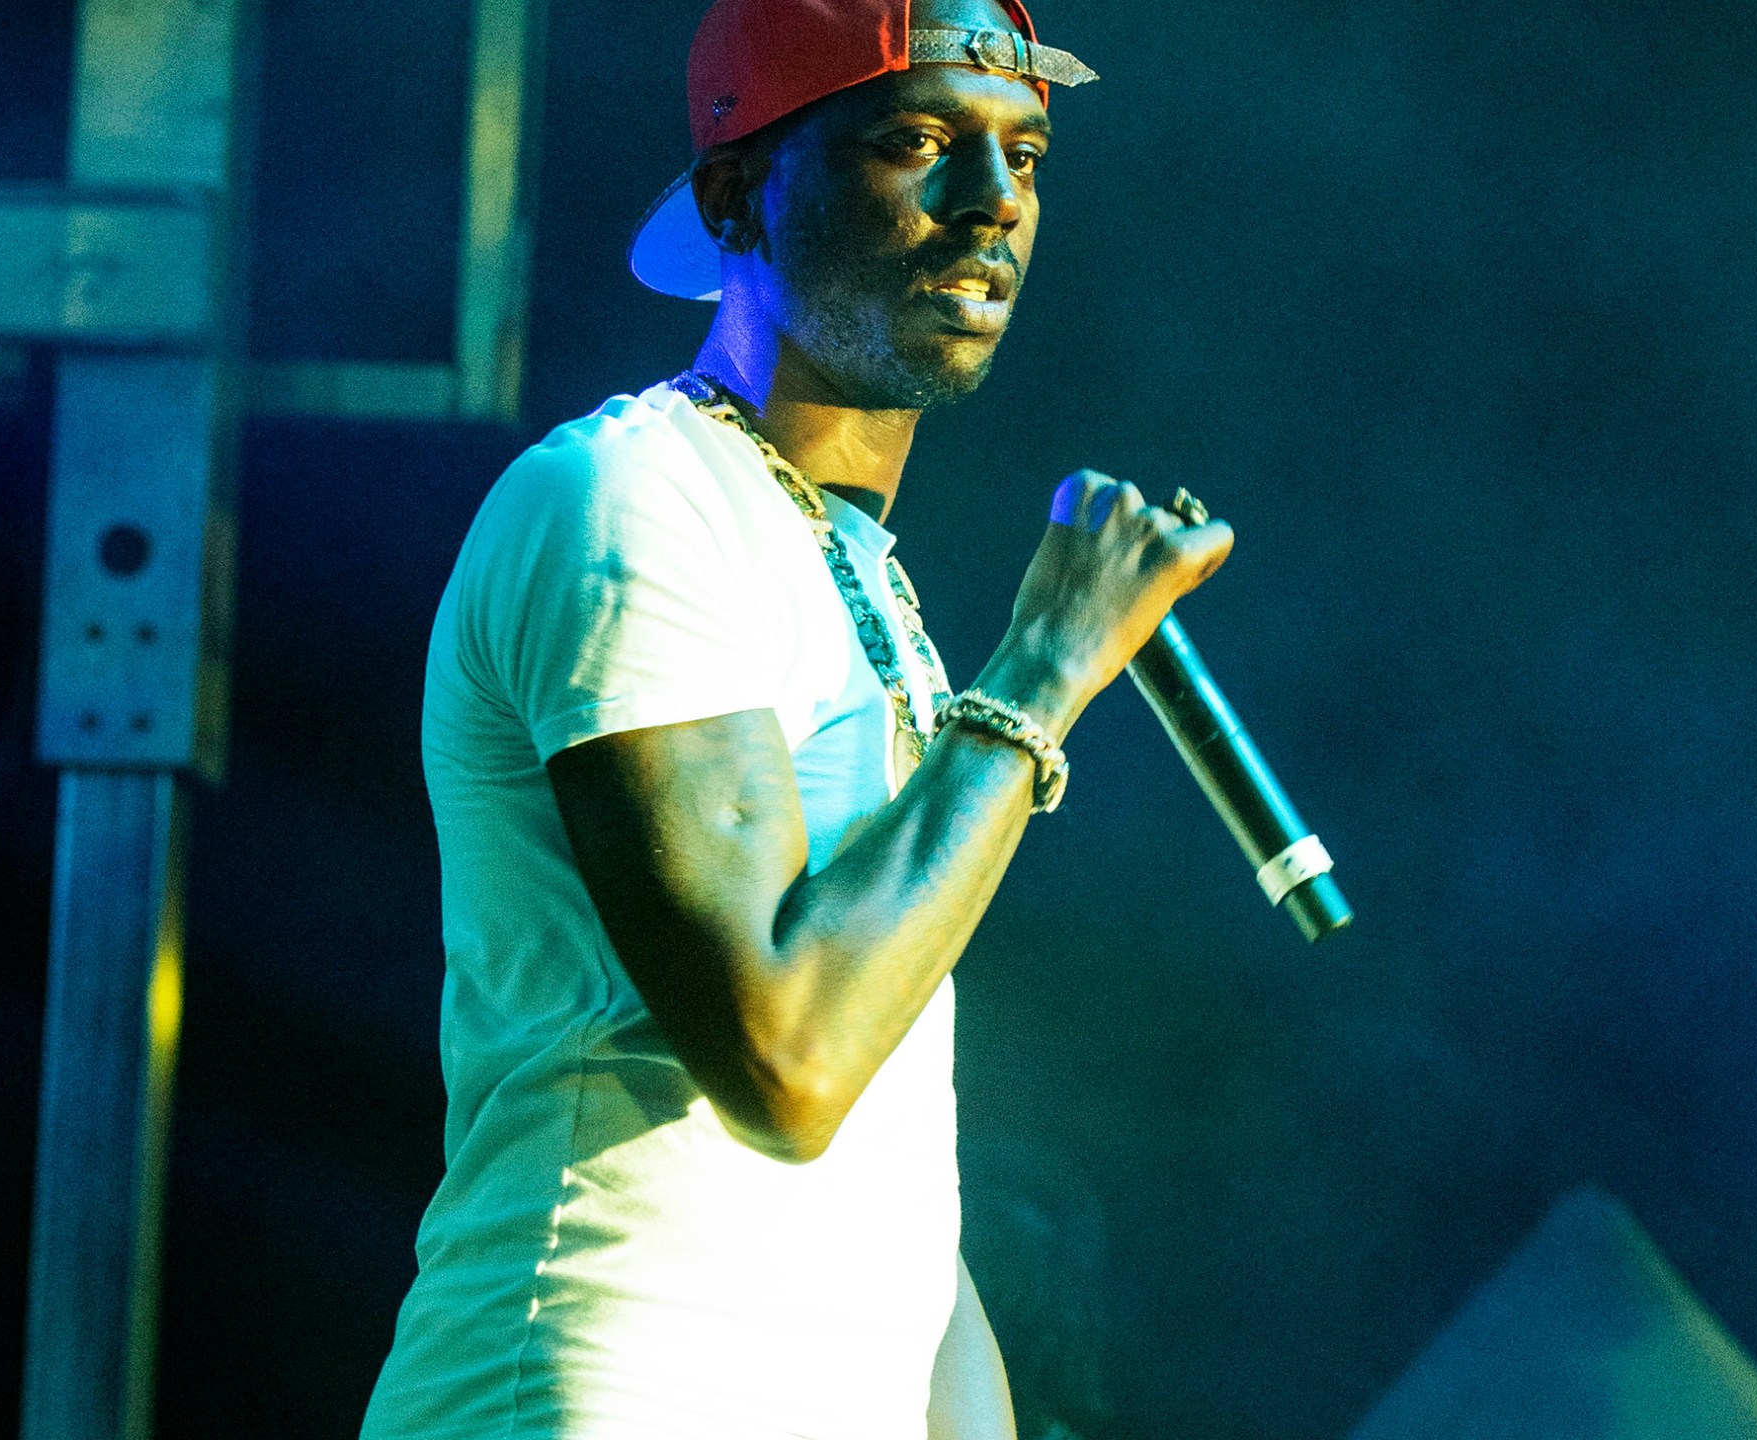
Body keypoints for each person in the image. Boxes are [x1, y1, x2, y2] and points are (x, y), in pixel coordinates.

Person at [361, 2, 1230, 1436]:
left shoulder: (861, 579)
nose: (989, 204)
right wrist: (1044, 666)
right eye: (916, 143)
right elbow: (788, 1060)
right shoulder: (632, 503)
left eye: (1024, 157)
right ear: (733, 194)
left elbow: (891, 1186)